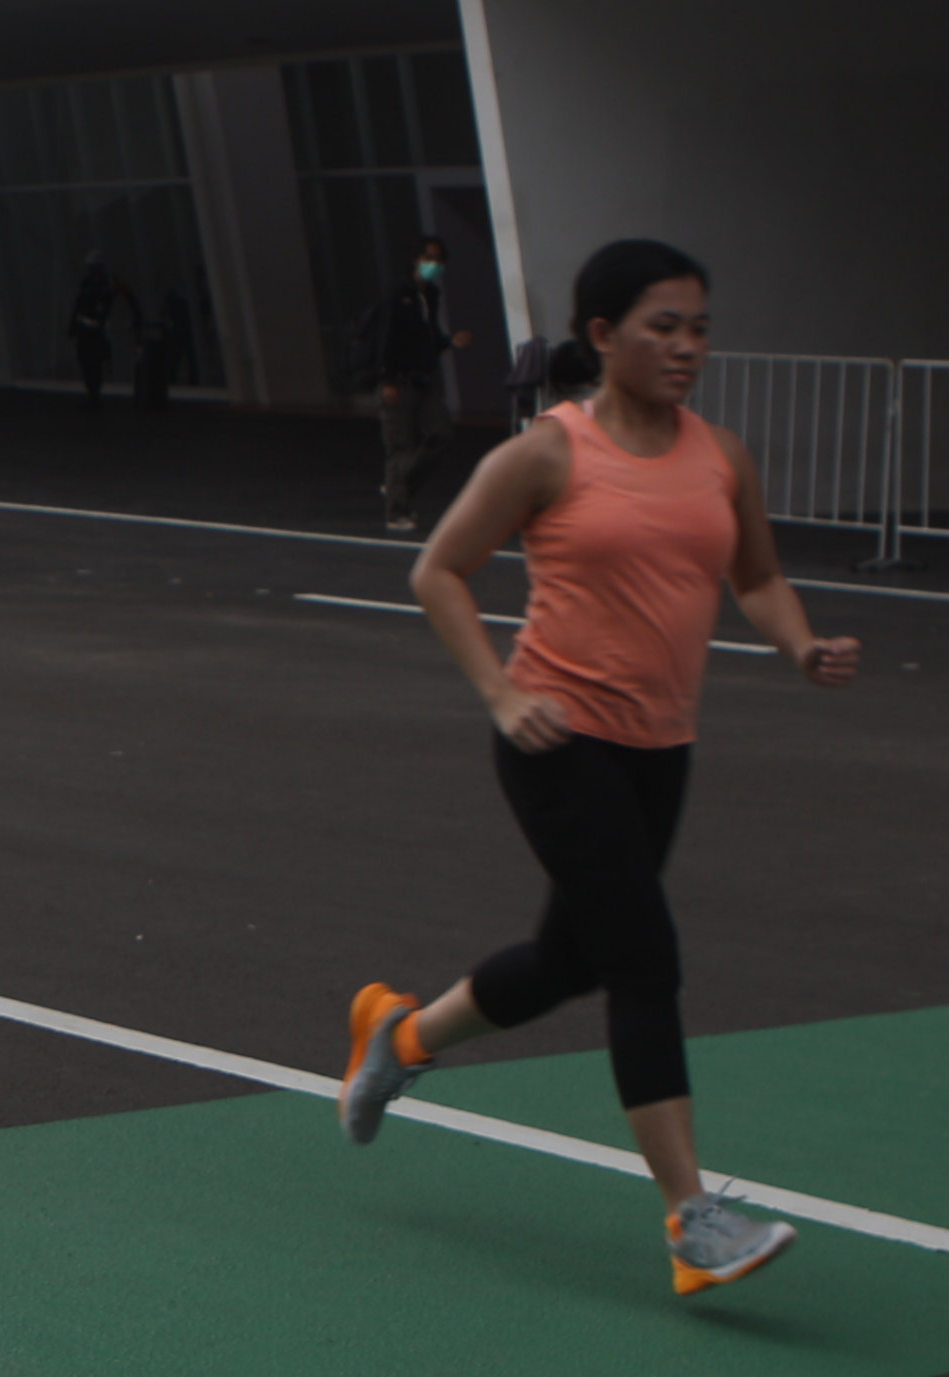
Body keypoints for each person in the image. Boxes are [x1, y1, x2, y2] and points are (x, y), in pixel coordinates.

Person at [334, 238, 863, 1296]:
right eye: (661, 327)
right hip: (555, 742)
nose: (684, 347)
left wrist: (798, 643)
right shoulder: (548, 453)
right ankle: (690, 1220)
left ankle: (399, 1035)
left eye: (699, 327)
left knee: (570, 960)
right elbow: (437, 571)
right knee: (642, 963)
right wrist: (499, 690)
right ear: (601, 335)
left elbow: (755, 577)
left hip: (660, 750)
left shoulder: (720, 455)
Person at [370, 234, 473, 532]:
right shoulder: (397, 293)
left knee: (440, 433)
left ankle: (398, 484)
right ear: (416, 259)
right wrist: (387, 378)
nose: (435, 265)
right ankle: (397, 510)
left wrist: (451, 342)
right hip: (398, 379)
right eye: (429, 258)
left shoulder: (430, 295)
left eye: (439, 260)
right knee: (399, 446)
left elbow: (428, 338)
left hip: (422, 379)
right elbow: (385, 337)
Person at [65, 257, 142, 406]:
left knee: (96, 359)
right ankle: (92, 391)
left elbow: (129, 297)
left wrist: (137, 316)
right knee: (86, 360)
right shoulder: (87, 283)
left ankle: (95, 391)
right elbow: (78, 304)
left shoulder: (111, 282)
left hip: (97, 328)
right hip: (85, 326)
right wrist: (72, 326)